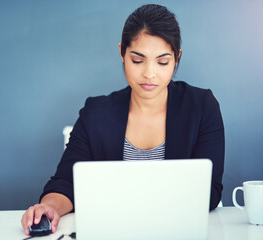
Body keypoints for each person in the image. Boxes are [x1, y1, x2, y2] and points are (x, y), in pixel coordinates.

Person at [21, 4, 224, 235]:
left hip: (177, 232)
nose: (149, 73)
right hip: (113, 232)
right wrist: (49, 207)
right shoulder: (96, 113)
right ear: (122, 52)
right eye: (138, 60)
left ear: (177, 57)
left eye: (162, 62)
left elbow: (210, 192)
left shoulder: (202, 107)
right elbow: (65, 183)